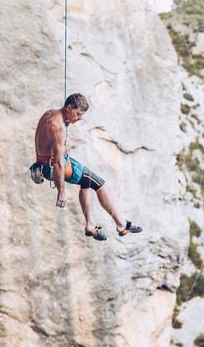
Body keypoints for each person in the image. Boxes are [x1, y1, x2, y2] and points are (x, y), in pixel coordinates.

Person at [31, 93, 142, 241]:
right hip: (53, 166)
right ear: (69, 107)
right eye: (77, 114)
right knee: (99, 183)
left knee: (86, 184)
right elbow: (58, 163)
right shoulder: (58, 128)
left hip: (42, 163)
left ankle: (90, 225)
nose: (78, 118)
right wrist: (61, 191)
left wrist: (68, 121)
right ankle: (121, 225)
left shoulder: (50, 114)